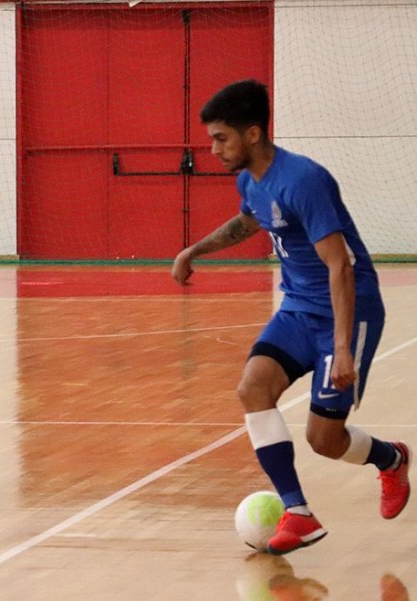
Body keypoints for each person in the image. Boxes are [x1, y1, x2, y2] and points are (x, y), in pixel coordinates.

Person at [172, 80, 409, 555]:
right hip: (298, 307)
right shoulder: (250, 180)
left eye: (221, 138)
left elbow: (340, 266)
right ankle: (298, 512)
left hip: (349, 309)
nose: (214, 149)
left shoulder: (304, 180)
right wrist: (194, 250)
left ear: (253, 133)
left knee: (324, 440)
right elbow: (249, 221)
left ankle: (390, 460)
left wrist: (342, 348)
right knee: (252, 387)